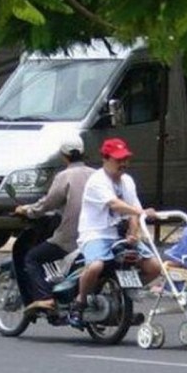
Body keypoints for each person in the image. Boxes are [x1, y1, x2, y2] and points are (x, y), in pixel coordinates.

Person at [69, 137, 161, 327]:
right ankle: (80, 302)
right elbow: (115, 204)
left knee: (154, 267)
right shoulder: (97, 181)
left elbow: (132, 208)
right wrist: (142, 213)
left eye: (125, 159)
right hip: (96, 234)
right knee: (95, 267)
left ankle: (121, 296)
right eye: (118, 160)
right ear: (105, 159)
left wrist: (133, 233)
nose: (123, 164)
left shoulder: (127, 181)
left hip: (118, 236)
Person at [13, 134, 95, 312]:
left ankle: (45, 298)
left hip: (70, 239)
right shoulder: (95, 175)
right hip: (93, 236)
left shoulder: (64, 176)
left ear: (63, 155)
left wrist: (26, 210)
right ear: (83, 153)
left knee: (32, 258)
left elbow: (46, 204)